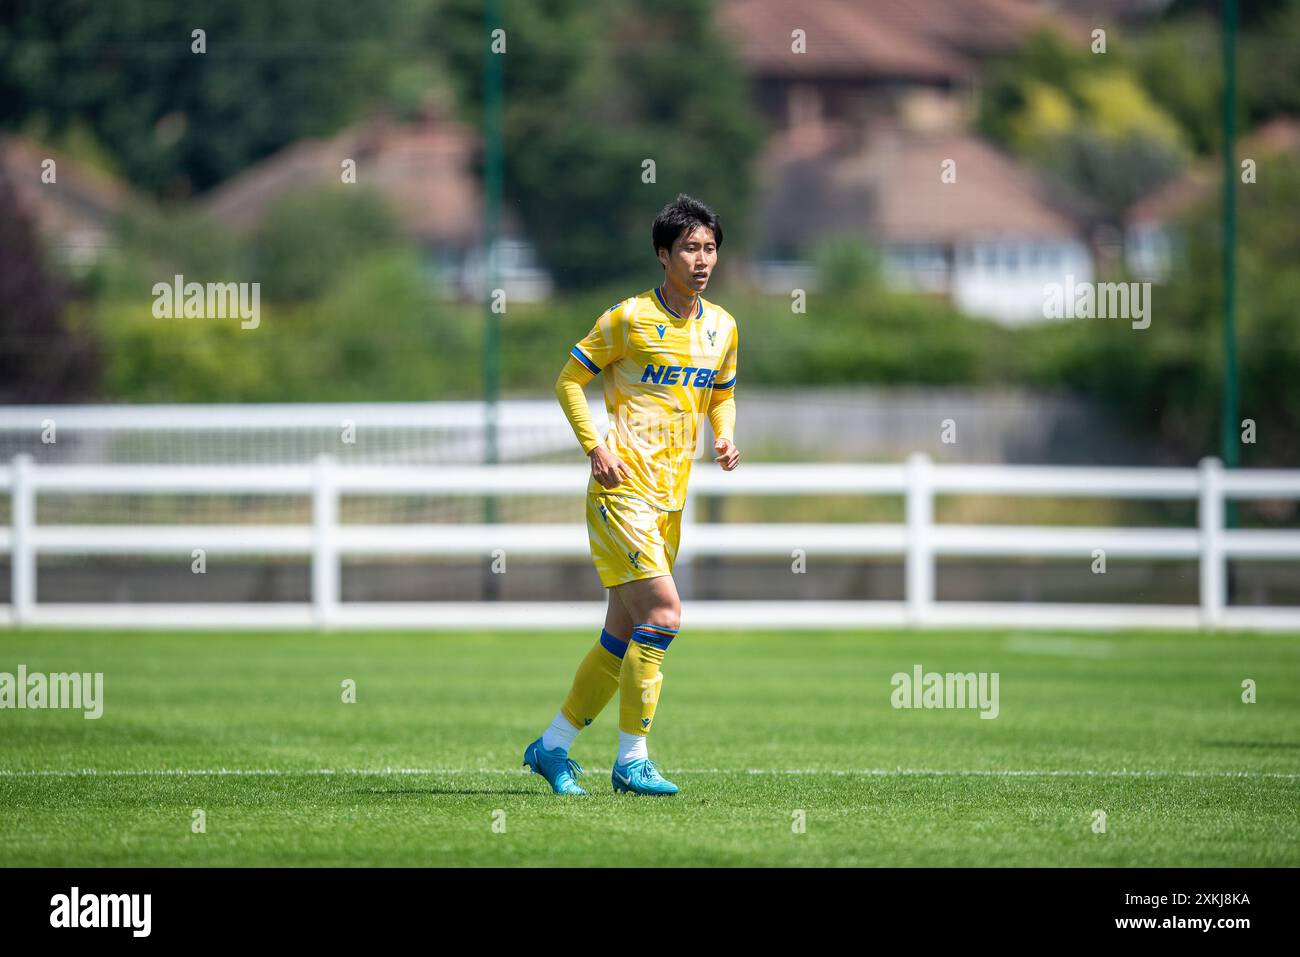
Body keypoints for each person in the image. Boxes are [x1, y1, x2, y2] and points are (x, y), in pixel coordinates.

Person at [523, 194, 740, 796]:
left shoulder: (723, 327)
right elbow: (569, 380)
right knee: (665, 614)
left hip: (671, 500)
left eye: (711, 248)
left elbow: (720, 392)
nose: (702, 259)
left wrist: (723, 437)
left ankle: (552, 747)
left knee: (620, 636)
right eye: (691, 248)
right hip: (620, 493)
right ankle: (632, 760)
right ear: (663, 254)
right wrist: (596, 446)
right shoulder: (627, 318)